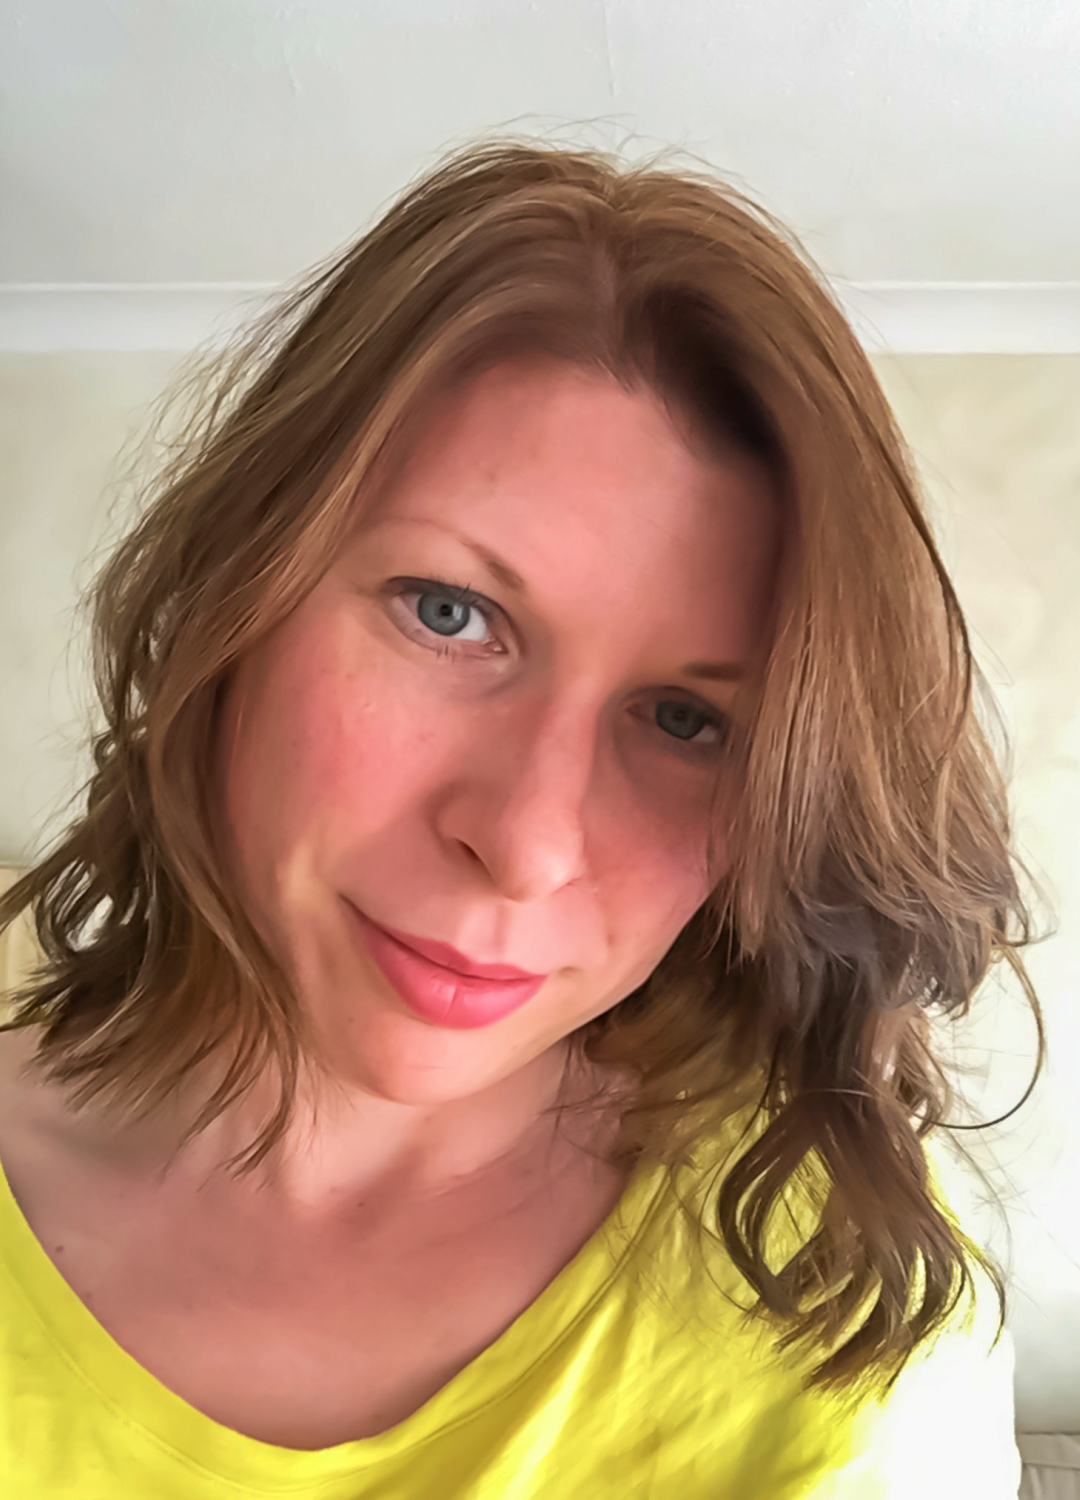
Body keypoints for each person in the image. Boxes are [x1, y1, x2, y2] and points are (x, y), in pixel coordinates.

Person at [0, 139, 1039, 1498]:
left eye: (687, 721)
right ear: (238, 590)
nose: (529, 843)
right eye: (450, 614)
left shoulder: (837, 1312)